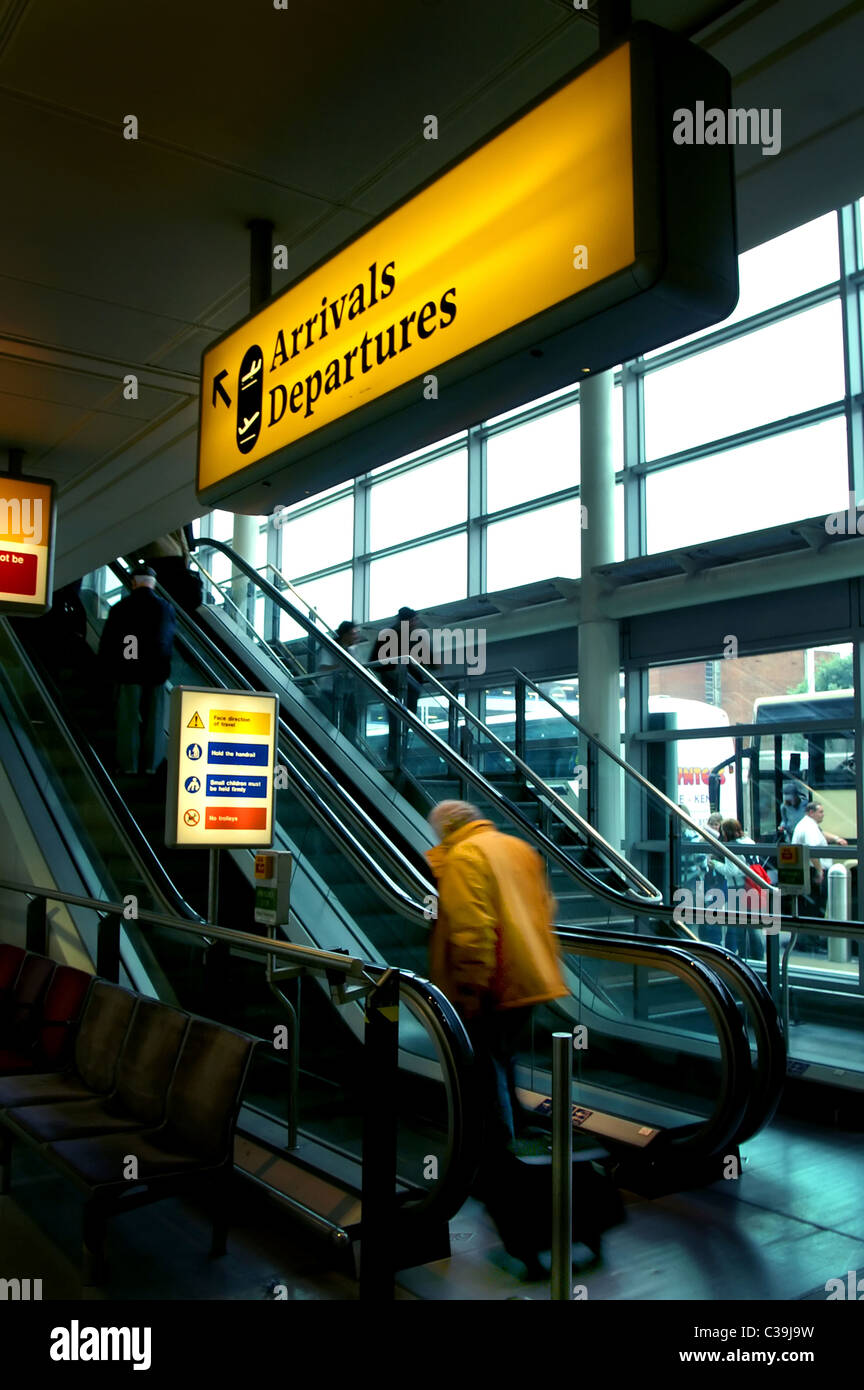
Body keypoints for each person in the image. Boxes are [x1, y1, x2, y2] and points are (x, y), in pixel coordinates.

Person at [425, 800, 566, 1274]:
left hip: (493, 987)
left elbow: (472, 930)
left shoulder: (465, 858)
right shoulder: (516, 848)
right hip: (530, 983)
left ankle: (510, 1179)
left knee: (490, 1083)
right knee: (505, 1071)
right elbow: (547, 909)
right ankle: (532, 1168)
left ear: (447, 828)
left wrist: (467, 992)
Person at [98, 566, 176, 776]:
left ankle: (128, 765)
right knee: (155, 720)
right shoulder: (165, 608)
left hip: (128, 670)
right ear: (153, 583)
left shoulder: (121, 608)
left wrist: (108, 668)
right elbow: (168, 641)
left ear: (133, 582)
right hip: (156, 672)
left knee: (128, 718)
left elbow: (109, 643)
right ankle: (151, 765)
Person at [371, 606, 432, 765]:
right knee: (398, 723)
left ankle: (398, 759)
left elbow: (429, 660)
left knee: (404, 724)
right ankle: (395, 760)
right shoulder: (388, 636)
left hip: (411, 688)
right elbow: (376, 663)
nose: (415, 623)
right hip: (395, 687)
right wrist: (394, 667)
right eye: (413, 620)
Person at [792, 801, 847, 917]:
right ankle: (814, 933)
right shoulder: (809, 828)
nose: (823, 814)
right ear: (811, 812)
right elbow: (812, 850)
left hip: (808, 871)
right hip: (813, 871)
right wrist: (819, 871)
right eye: (820, 812)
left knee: (812, 905)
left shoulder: (809, 824)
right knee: (816, 906)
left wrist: (836, 839)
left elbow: (821, 833)